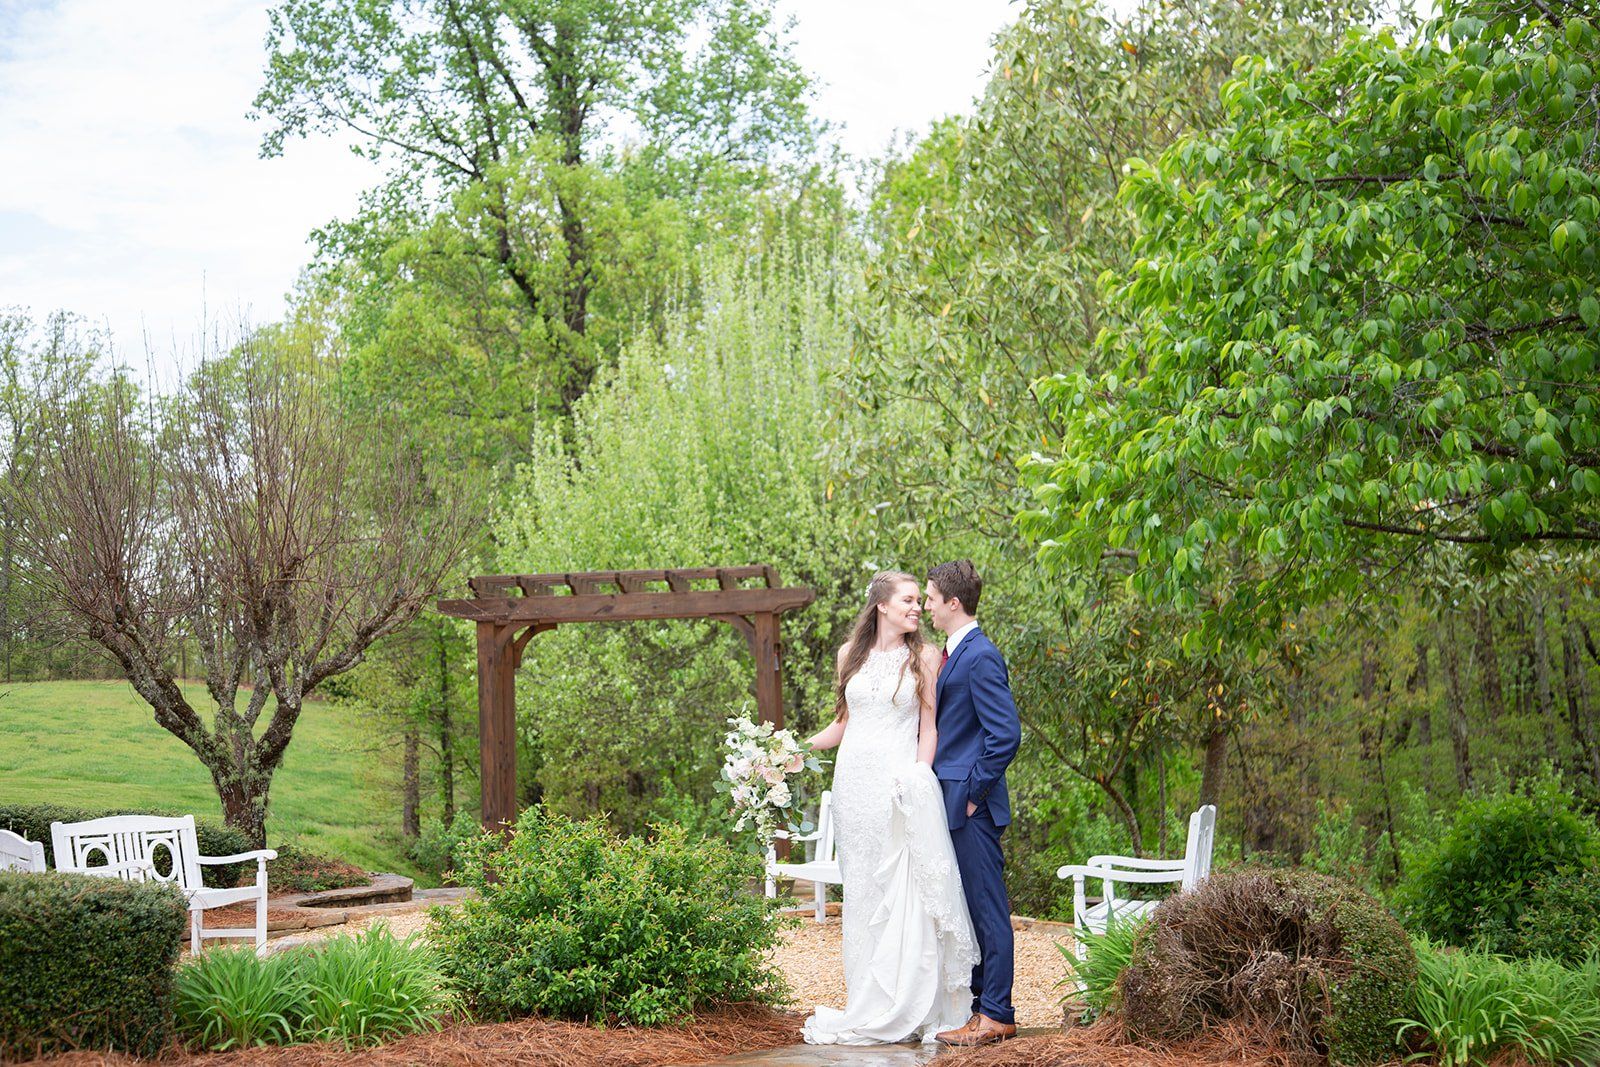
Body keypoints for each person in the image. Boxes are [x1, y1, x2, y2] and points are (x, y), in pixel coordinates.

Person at [800, 571, 979, 1045]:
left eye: (921, 600)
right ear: (881, 605)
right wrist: (789, 749)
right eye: (908, 599)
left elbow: (930, 729)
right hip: (852, 790)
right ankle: (865, 998)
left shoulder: (924, 657)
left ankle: (905, 999)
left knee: (899, 892)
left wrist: (919, 777)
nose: (917, 607)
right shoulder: (848, 656)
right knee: (860, 895)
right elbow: (840, 726)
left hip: (895, 789)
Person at [924, 560, 1022, 1047]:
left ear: (953, 603)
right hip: (953, 798)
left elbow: (1005, 735)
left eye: (931, 598)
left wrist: (973, 795)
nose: (926, 606)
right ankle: (981, 1011)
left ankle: (998, 1014)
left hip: (971, 804)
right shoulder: (953, 654)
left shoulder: (981, 656)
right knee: (970, 906)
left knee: (987, 907)